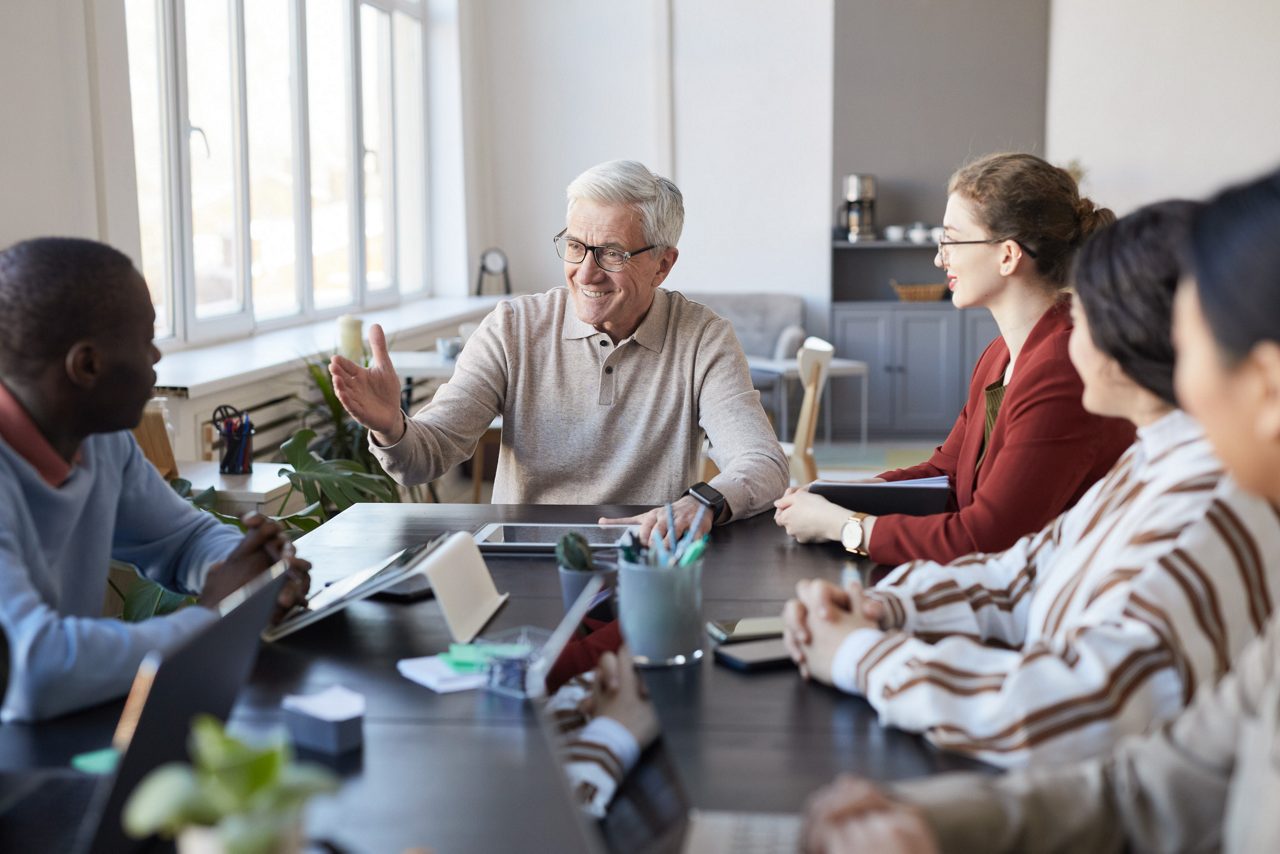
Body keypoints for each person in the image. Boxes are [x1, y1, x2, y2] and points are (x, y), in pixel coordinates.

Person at [799, 167, 1280, 854]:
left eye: (1193, 335)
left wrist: (862, 654)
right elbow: (1025, 573)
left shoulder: (1214, 508)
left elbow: (1088, 710)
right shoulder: (1159, 461)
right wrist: (886, 610)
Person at [330, 159, 788, 542]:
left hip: (645, 559)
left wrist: (704, 502)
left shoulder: (702, 337)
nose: (585, 274)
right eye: (574, 247)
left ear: (662, 264)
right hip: (526, 564)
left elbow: (763, 463)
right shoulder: (513, 327)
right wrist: (392, 427)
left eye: (612, 253)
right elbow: (423, 459)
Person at [0, 237, 311, 723]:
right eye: (145, 340)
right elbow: (34, 666)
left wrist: (253, 569)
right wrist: (210, 620)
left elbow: (181, 537)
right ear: (87, 365)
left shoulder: (100, 440)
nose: (157, 356)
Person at [775, 153, 1135, 565]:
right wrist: (833, 495)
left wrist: (845, 526)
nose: (938, 257)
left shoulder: (1064, 366)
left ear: (1008, 255)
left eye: (951, 239)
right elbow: (945, 474)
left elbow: (986, 536)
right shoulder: (1000, 355)